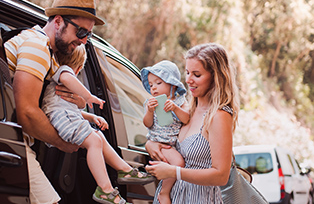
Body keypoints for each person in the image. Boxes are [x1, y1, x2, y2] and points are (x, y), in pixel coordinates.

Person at [4, 0, 105, 204]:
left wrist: (78, 103)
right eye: (80, 31)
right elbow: (28, 114)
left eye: (89, 34)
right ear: (58, 21)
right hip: (11, 143)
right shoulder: (38, 47)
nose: (84, 40)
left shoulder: (41, 48)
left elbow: (56, 97)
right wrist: (63, 143)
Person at [43, 45, 153, 204]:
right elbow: (68, 80)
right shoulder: (63, 72)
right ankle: (105, 189)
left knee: (98, 136)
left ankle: (125, 170)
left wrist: (92, 117)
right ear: (79, 67)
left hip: (65, 117)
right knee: (94, 141)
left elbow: (69, 111)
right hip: (62, 119)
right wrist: (88, 96)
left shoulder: (61, 83)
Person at [145, 43, 239, 203]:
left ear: (215, 76)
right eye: (187, 72)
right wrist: (151, 144)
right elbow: (164, 135)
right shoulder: (186, 110)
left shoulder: (219, 116)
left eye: (196, 74)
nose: (188, 80)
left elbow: (221, 176)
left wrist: (174, 172)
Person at [140, 60, 189, 204]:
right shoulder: (150, 103)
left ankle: (165, 191)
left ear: (172, 83)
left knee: (175, 164)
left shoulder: (180, 101)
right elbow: (147, 124)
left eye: (158, 83)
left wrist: (175, 108)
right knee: (178, 163)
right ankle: (164, 193)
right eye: (151, 85)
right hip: (159, 143)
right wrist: (149, 111)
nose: (154, 88)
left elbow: (186, 118)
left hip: (172, 144)